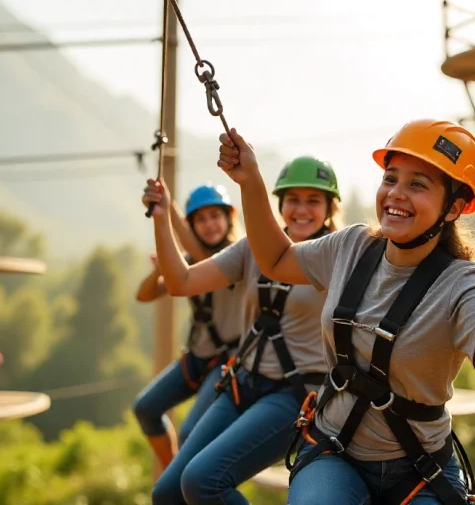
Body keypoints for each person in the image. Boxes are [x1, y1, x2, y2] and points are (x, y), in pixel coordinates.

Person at [215, 120, 475, 504]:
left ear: (455, 207)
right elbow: (277, 258)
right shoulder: (351, 247)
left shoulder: (462, 283)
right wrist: (250, 182)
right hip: (333, 452)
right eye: (390, 178)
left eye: (417, 184)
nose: (396, 194)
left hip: (418, 469)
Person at [141, 156, 341, 504]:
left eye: (313, 200)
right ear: (280, 204)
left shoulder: (341, 256)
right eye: (294, 199)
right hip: (240, 382)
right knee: (167, 493)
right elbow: (180, 281)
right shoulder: (253, 249)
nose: (302, 209)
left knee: (203, 482)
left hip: (293, 395)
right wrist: (161, 218)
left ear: (328, 207)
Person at [132, 184, 244, 470]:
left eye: (214, 216)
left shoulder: (240, 256)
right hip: (196, 357)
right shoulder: (189, 263)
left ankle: (181, 487)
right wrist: (160, 270)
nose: (209, 225)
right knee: (145, 408)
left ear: (228, 218)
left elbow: (207, 259)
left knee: (190, 434)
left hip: (227, 360)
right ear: (192, 226)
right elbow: (145, 295)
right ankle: (172, 474)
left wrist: (167, 208)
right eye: (201, 220)